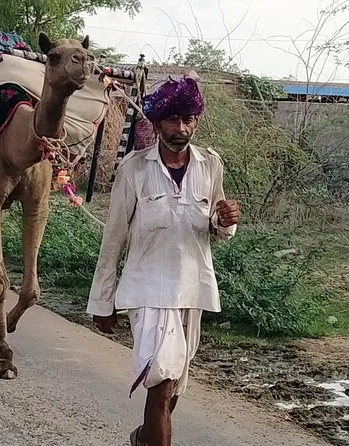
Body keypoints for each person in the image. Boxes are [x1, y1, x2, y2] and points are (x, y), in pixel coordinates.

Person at [86, 75, 240, 446]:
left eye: (188, 119)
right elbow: (113, 239)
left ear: (196, 122)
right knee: (162, 380)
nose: (180, 128)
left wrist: (225, 220)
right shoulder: (135, 169)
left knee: (173, 388)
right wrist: (102, 302)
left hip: (192, 290)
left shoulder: (210, 165)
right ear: (156, 124)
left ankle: (143, 437)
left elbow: (216, 226)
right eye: (172, 119)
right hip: (148, 291)